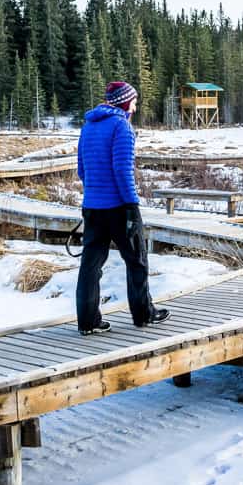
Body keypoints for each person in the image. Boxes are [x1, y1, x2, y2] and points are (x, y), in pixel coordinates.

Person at [75, 81, 170, 335]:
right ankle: (143, 314)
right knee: (137, 260)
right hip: (119, 207)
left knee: (90, 265)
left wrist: (95, 193)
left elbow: (82, 171)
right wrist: (131, 205)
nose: (136, 107)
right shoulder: (122, 127)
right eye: (135, 102)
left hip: (92, 208)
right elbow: (122, 170)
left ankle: (87, 321)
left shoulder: (88, 127)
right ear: (126, 102)